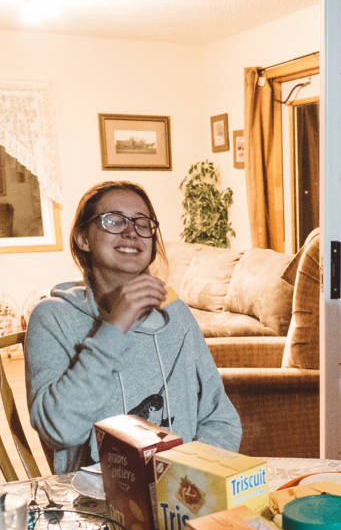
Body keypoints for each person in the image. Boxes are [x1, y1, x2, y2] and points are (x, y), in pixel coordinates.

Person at [25, 181, 241, 470]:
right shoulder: (52, 317)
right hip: (96, 500)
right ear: (82, 239)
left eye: (142, 223)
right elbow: (60, 432)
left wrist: (194, 478)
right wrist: (116, 326)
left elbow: (220, 418)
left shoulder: (174, 313)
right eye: (113, 220)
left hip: (181, 492)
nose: (131, 231)